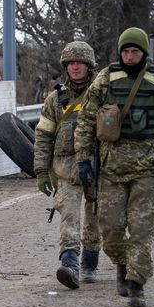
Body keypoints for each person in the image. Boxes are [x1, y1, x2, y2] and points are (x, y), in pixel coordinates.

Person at [74, 27, 154, 307]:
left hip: (147, 168)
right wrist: (83, 159)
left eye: (134, 51)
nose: (129, 56)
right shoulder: (106, 78)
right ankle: (123, 265)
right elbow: (86, 120)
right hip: (111, 168)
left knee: (141, 229)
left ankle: (136, 284)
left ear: (143, 52)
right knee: (110, 230)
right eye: (124, 51)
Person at [34, 41, 102, 289]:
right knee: (69, 216)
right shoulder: (55, 99)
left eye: (80, 63)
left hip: (98, 169)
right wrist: (41, 170)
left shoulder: (101, 92)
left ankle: (90, 264)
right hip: (65, 169)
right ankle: (70, 263)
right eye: (71, 63)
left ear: (88, 66)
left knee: (95, 219)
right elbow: (43, 136)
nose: (75, 67)